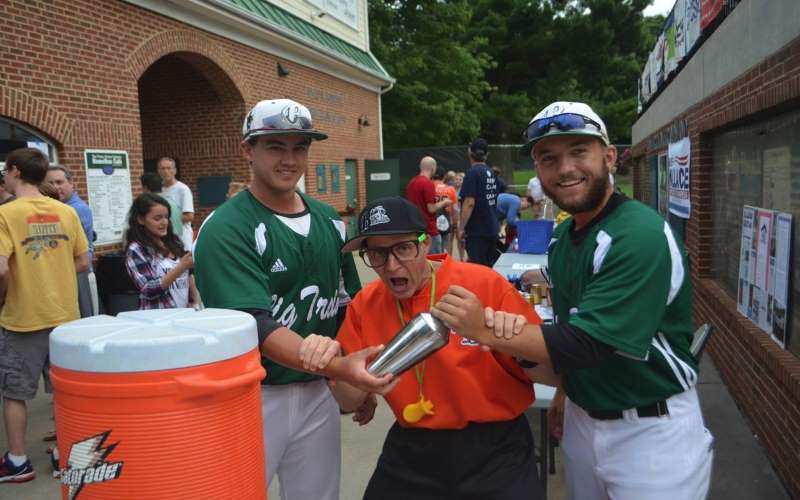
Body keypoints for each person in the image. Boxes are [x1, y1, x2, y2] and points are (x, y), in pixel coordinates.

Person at [434, 101, 713, 500]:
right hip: (585, 417)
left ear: (610, 156)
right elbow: (570, 325)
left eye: (579, 152)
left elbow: (587, 343)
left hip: (651, 429)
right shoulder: (565, 237)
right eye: (549, 158)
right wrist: (566, 390)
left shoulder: (639, 234)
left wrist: (484, 329)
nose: (564, 168)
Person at [193, 98, 395, 500]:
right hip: (249, 395)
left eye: (299, 147)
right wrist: (343, 368)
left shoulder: (328, 221)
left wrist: (355, 382)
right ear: (247, 150)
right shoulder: (227, 227)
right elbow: (255, 324)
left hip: (318, 391)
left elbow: (345, 310)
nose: (289, 159)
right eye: (275, 146)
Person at [299, 196, 545, 500]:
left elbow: (546, 368)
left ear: (426, 244)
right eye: (376, 252)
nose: (390, 266)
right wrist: (329, 362)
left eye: (403, 248)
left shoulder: (482, 284)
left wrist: (500, 336)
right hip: (413, 446)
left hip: (494, 447)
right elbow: (350, 401)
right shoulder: (366, 304)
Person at [0, 148, 89, 483]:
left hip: (23, 317)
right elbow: (83, 262)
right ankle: (61, 454)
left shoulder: (6, 214)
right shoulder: (65, 212)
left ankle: (18, 461)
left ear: (13, 171)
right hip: (65, 317)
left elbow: (1, 271)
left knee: (15, 393)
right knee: (63, 392)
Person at [124, 193, 199, 310]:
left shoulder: (174, 242)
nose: (164, 222)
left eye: (166, 217)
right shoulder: (136, 249)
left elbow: (189, 274)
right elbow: (148, 289)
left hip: (184, 313)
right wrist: (181, 267)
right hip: (159, 317)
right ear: (141, 220)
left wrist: (194, 300)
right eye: (157, 218)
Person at [45, 166, 97, 317]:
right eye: (50, 183)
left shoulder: (76, 209)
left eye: (59, 182)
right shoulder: (60, 208)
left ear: (71, 183)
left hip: (79, 274)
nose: (55, 187)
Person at [459, 138, 499, 266]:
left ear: (470, 152)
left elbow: (469, 202)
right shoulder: (491, 172)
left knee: (478, 269)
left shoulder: (472, 173)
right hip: (492, 227)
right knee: (489, 267)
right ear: (486, 155)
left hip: (477, 231)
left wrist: (461, 227)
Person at [405, 156, 451, 254]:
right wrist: (444, 202)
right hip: (430, 232)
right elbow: (431, 209)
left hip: (418, 232)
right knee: (435, 262)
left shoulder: (411, 183)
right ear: (433, 168)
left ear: (420, 167)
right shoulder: (428, 184)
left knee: (421, 259)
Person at [158, 157, 195, 251]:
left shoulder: (183, 189)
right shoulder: (158, 190)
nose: (166, 171)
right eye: (162, 168)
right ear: (158, 171)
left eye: (169, 168)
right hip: (165, 242)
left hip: (182, 241)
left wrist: (164, 219)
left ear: (175, 171)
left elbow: (189, 216)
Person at [140, 172, 183, 242]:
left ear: (145, 188)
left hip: (163, 244)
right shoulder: (172, 202)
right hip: (178, 243)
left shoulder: (149, 205)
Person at [432, 166, 457, 254]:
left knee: (424, 240)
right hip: (446, 222)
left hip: (431, 224)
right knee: (445, 245)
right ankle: (446, 263)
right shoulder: (451, 189)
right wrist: (454, 223)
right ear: (444, 176)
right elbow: (454, 209)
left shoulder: (428, 188)